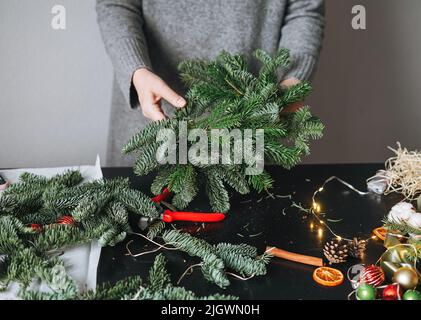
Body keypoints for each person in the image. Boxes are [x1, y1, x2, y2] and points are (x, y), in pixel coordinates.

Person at [96, 0, 325, 166]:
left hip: (252, 126)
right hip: (150, 124)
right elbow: (116, 4)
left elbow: (305, 9)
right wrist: (135, 69)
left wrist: (294, 80)